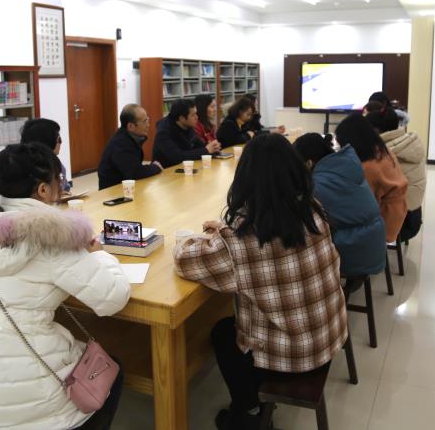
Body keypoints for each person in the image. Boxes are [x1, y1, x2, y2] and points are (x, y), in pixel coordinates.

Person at [0, 143, 131, 430]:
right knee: (113, 371)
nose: (62, 187)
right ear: (43, 190)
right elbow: (112, 299)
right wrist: (99, 256)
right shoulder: (51, 237)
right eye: (59, 180)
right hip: (30, 408)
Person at [174, 134, 347, 430]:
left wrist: (208, 236)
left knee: (222, 333)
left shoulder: (243, 239)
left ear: (245, 180)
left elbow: (184, 260)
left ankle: (248, 409)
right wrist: (227, 231)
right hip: (327, 337)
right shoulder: (312, 210)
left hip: (292, 358)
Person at [293, 133, 387, 277]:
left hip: (355, 258)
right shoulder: (345, 166)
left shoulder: (319, 184)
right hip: (374, 249)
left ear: (309, 163)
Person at [335, 113, 408, 243]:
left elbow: (360, 201)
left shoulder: (369, 167)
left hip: (386, 224)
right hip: (398, 213)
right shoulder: (382, 151)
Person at [366, 107, 426, 241]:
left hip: (399, 225)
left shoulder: (385, 152)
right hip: (414, 216)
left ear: (376, 130)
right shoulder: (409, 142)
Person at [97, 104, 163, 190]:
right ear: (131, 126)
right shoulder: (120, 144)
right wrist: (155, 167)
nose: (148, 125)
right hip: (113, 191)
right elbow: (135, 172)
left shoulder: (132, 137)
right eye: (145, 121)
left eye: (147, 120)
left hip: (126, 186)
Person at [152, 98, 221, 167]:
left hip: (184, 167)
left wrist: (213, 148)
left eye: (196, 113)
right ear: (182, 118)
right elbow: (178, 157)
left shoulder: (187, 125)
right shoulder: (163, 132)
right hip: (167, 170)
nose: (197, 117)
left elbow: (198, 145)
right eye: (193, 115)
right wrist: (206, 150)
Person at [20, 117, 72, 195]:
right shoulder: (26, 170)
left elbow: (65, 188)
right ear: (48, 141)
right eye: (59, 139)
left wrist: (63, 193)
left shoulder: (57, 165)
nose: (60, 142)